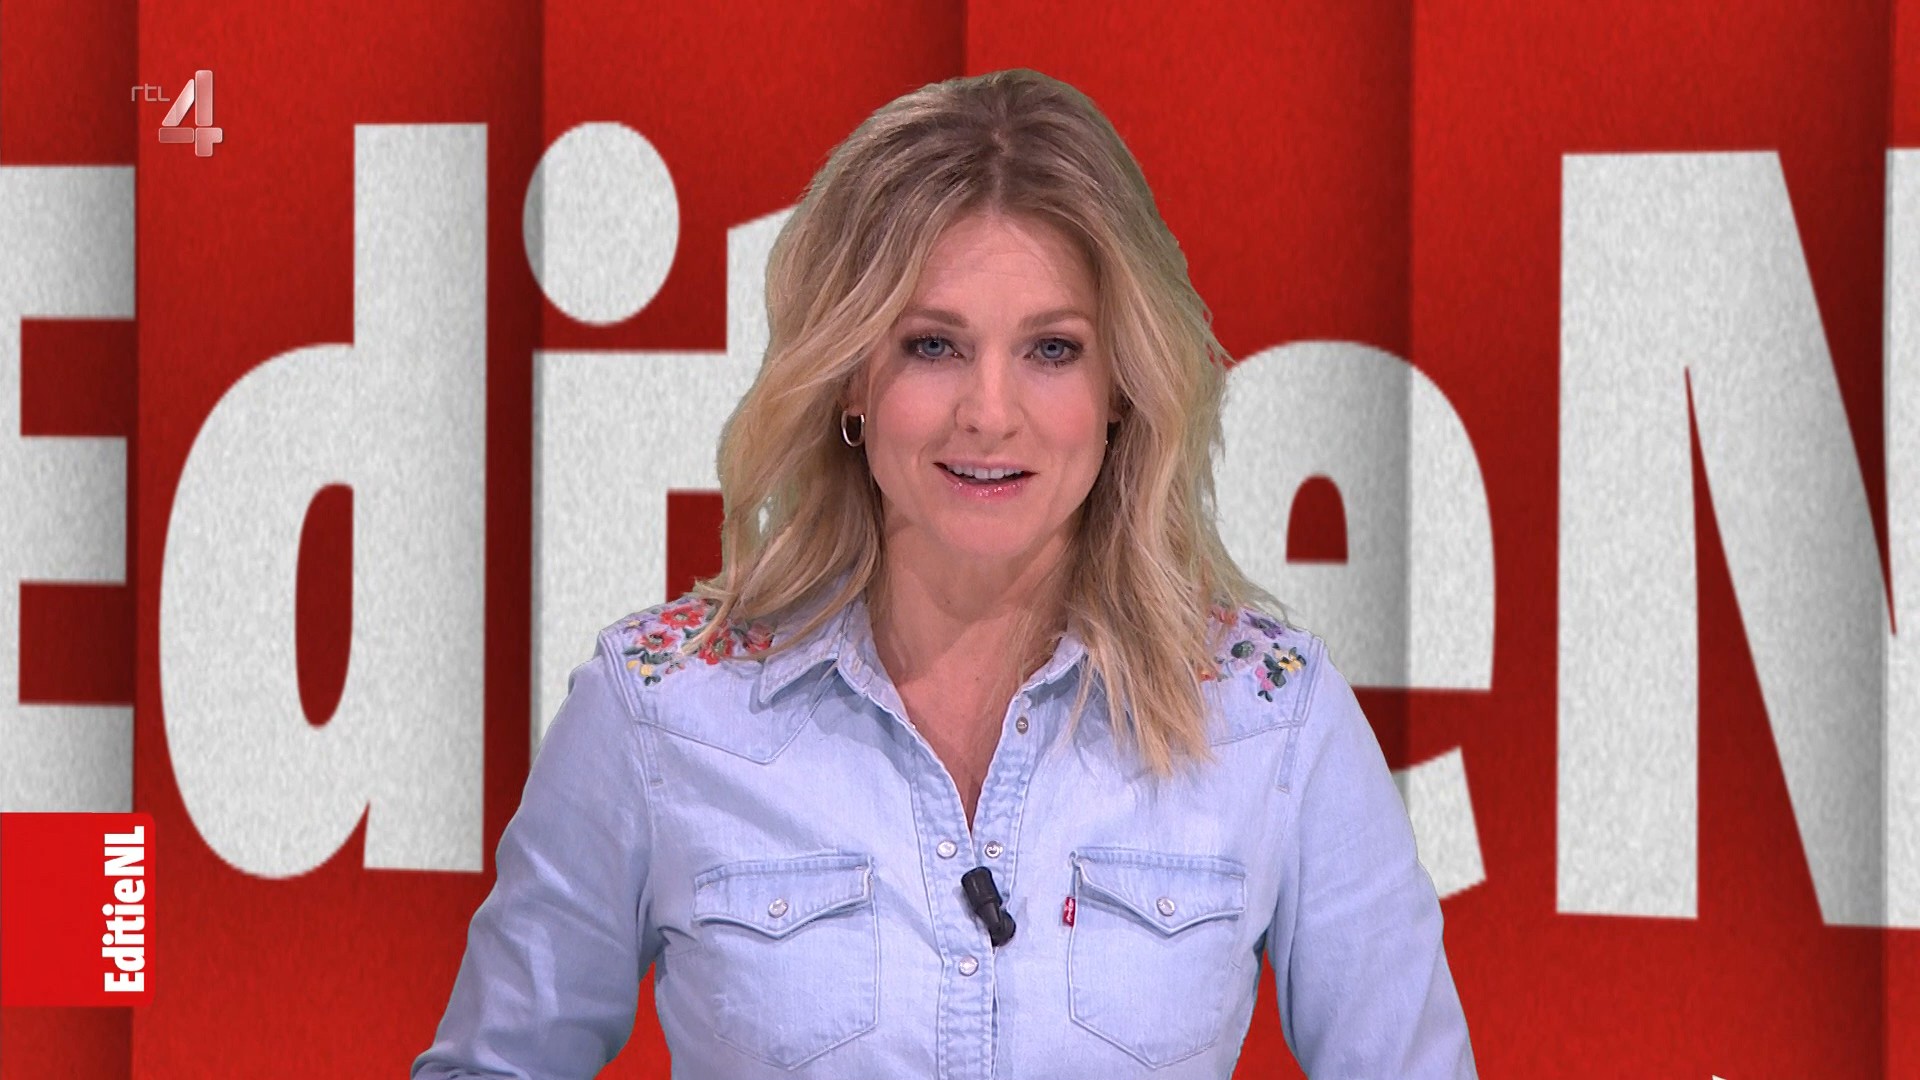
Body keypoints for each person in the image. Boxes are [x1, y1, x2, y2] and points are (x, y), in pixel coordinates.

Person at [414, 68, 1476, 1079]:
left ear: (1121, 387)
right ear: (849, 376)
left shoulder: (1270, 713)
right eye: (933, 346)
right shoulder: (659, 705)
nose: (990, 412)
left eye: (1052, 350)